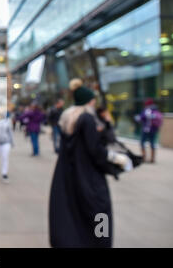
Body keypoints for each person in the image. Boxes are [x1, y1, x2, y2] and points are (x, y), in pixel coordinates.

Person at [49, 79, 132, 248]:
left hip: (70, 176)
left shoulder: (69, 118)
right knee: (100, 213)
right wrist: (117, 159)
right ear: (89, 101)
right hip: (90, 177)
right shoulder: (87, 119)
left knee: (75, 214)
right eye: (93, 100)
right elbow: (96, 151)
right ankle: (100, 243)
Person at [135, 99, 163, 164]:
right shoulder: (156, 110)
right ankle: (152, 159)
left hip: (146, 129)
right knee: (152, 143)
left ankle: (144, 158)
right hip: (153, 129)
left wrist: (138, 118)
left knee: (142, 143)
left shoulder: (147, 110)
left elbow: (141, 118)